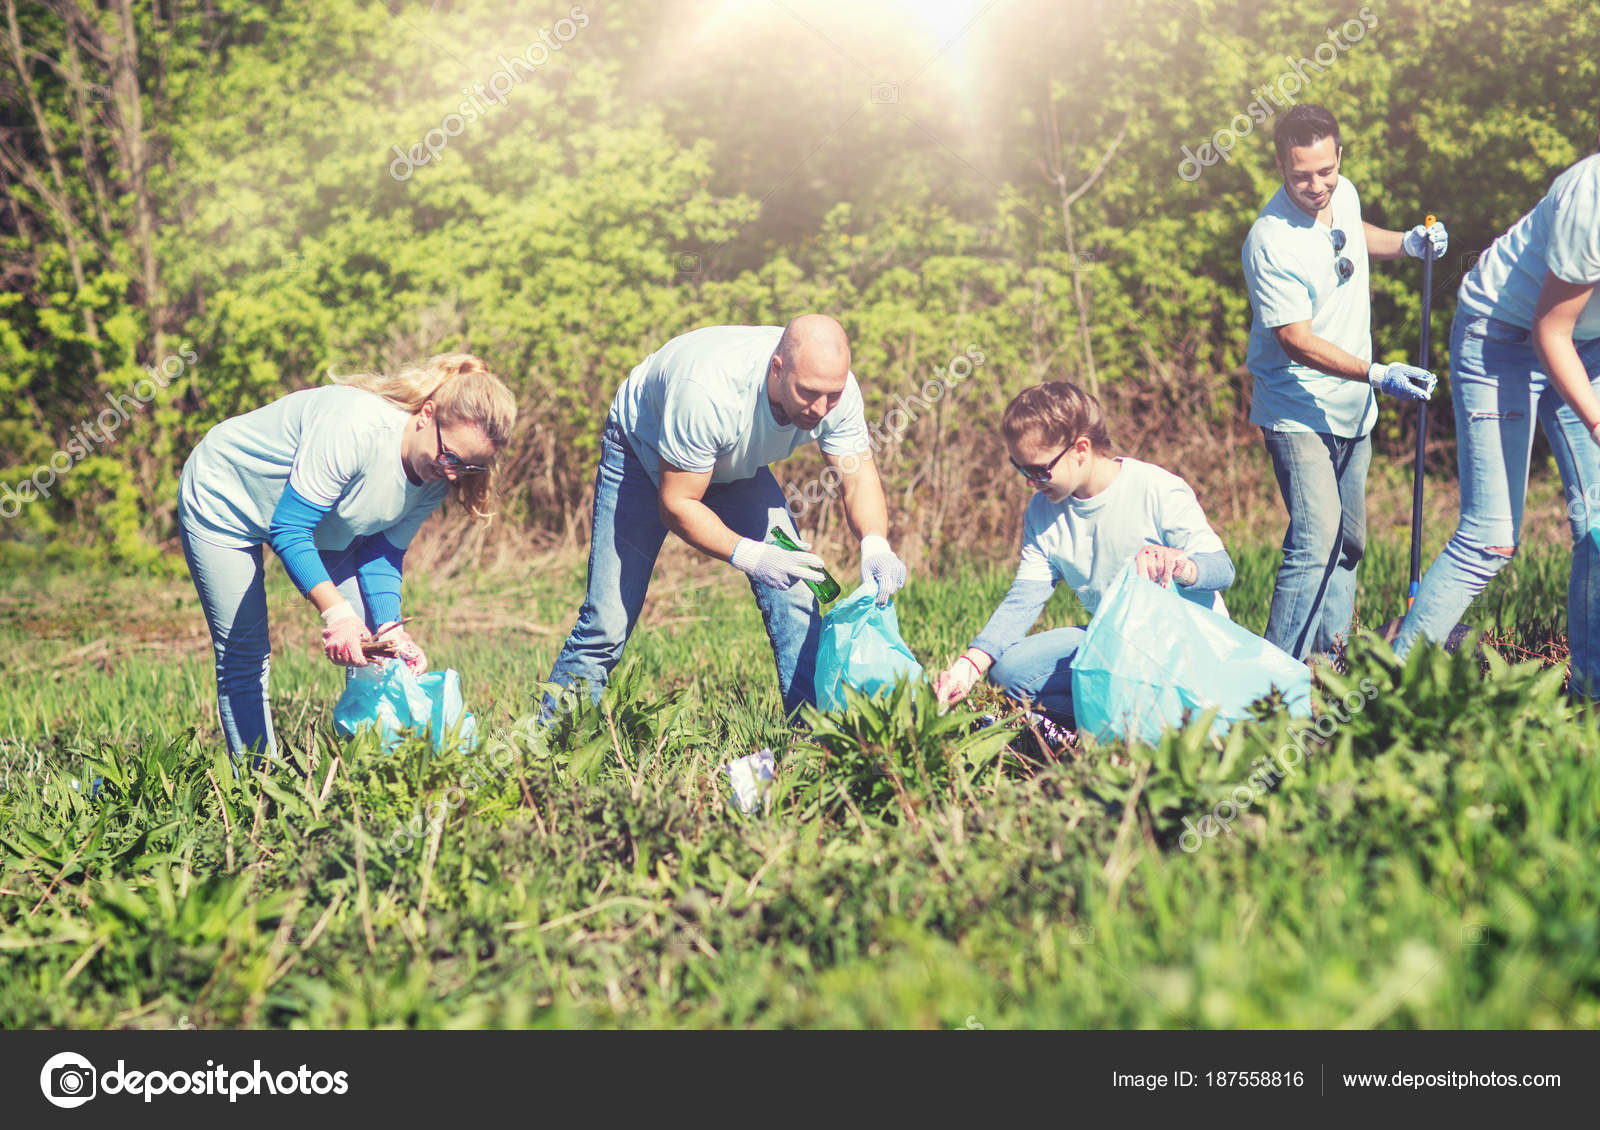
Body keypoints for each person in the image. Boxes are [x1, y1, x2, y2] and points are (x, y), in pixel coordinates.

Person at [544, 314, 907, 719]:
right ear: (777, 368)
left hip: (731, 467)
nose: (821, 409)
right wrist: (753, 555)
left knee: (798, 596)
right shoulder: (709, 390)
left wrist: (875, 544)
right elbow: (677, 504)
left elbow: (857, 478)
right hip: (641, 452)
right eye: (808, 393)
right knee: (605, 625)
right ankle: (552, 751)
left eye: (832, 395)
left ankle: (811, 742)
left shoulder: (836, 391)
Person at [178, 353, 517, 764]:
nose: (452, 474)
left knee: (375, 650)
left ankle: (374, 769)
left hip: (317, 521)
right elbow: (289, 528)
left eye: (466, 467)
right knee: (246, 652)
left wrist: (391, 628)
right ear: (427, 415)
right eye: (450, 457)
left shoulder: (436, 476)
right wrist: (336, 615)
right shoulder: (357, 427)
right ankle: (256, 779)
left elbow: (381, 550)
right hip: (226, 497)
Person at [1242, 104, 1445, 660]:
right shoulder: (1270, 240)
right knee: (1317, 540)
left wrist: (1407, 243)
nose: (1316, 186)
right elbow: (1295, 341)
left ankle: (1326, 665)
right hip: (1297, 413)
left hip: (1353, 410)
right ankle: (1270, 681)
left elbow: (1354, 234)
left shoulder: (1343, 193)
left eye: (1326, 171)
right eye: (1301, 175)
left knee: (1349, 545)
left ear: (1339, 157)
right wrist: (1378, 374)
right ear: (1281, 166)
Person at [1394, 151, 1600, 695]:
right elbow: (1550, 331)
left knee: (1598, 522)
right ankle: (1386, 692)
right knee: (1490, 539)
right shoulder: (1592, 195)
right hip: (1502, 337)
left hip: (1590, 343)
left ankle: (1590, 694)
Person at [930, 381, 1235, 726]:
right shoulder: (1041, 512)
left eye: (1039, 469)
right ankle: (1105, 723)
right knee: (1012, 673)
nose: (1031, 481)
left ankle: (1159, 719)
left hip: (1188, 647)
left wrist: (1180, 565)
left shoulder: (1157, 489)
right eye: (1020, 469)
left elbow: (1222, 569)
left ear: (1081, 449)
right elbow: (1023, 601)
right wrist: (968, 667)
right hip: (1115, 641)